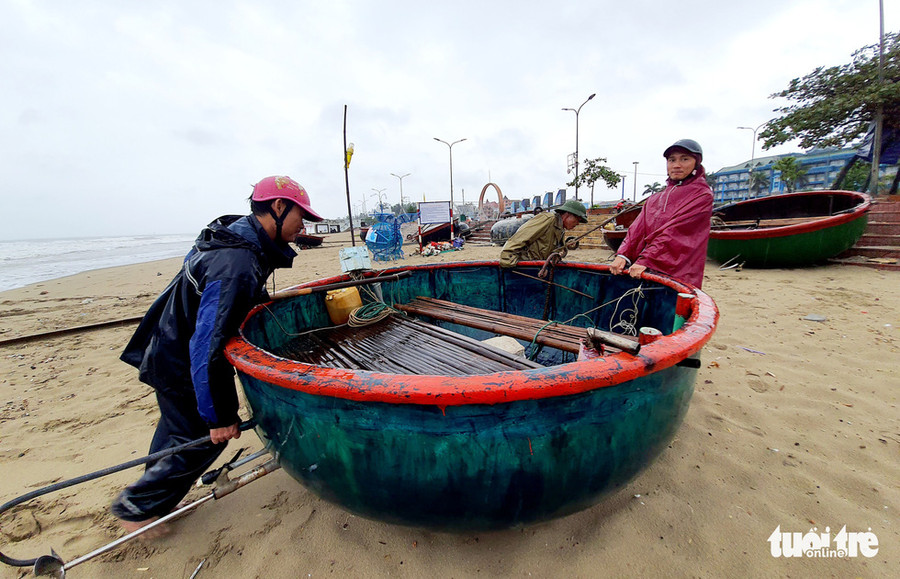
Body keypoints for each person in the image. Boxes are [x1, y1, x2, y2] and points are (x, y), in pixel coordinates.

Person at [111, 175, 323, 534]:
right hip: (181, 360)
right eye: (300, 214)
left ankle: (156, 500)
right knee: (201, 439)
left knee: (177, 431)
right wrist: (219, 415)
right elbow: (208, 342)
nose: (303, 224)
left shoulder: (235, 238)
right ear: (277, 207)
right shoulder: (236, 262)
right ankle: (137, 509)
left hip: (168, 346)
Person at [609, 139, 713, 288]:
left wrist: (647, 260)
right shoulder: (655, 198)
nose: (676, 165)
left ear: (696, 162)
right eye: (672, 160)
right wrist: (623, 254)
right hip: (645, 269)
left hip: (679, 273)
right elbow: (636, 230)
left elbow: (675, 234)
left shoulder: (702, 195)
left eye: (684, 159)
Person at [499, 199, 587, 268]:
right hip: (525, 268)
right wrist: (508, 262)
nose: (578, 223)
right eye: (577, 220)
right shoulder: (548, 219)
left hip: (537, 267)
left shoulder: (560, 229)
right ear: (567, 214)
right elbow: (519, 238)